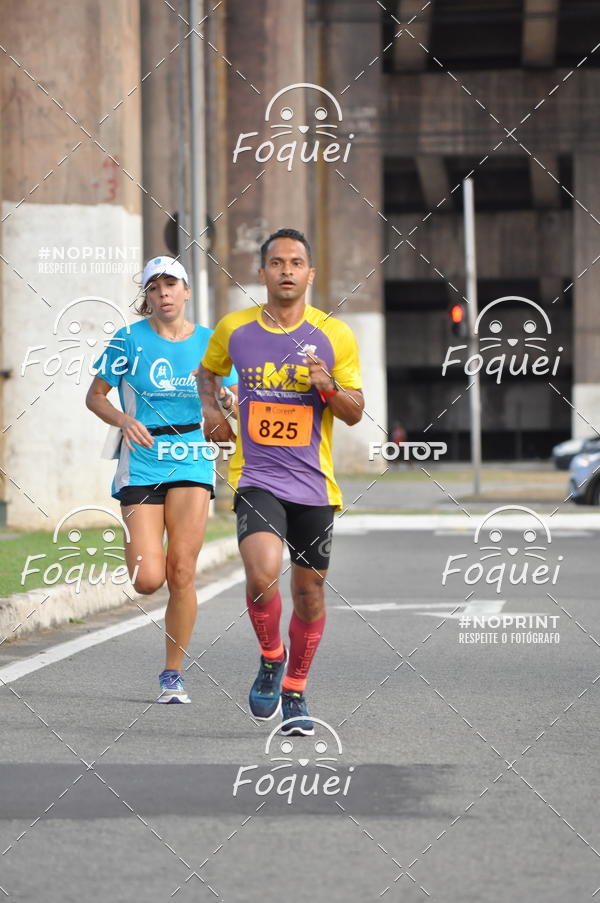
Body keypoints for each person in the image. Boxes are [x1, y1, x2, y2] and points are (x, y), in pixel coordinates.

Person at [198, 228, 364, 735]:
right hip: (257, 477)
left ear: (310, 274)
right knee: (262, 574)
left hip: (314, 485)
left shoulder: (335, 335)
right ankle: (271, 656)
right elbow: (208, 373)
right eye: (276, 262)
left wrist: (328, 386)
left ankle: (295, 688)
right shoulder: (235, 329)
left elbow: (354, 412)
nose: (286, 270)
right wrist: (213, 412)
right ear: (262, 272)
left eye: (295, 263)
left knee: (309, 592)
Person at [86, 256, 238, 704]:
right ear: (148, 297)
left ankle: (173, 673)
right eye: (154, 287)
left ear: (186, 291)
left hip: (191, 456)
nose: (163, 293)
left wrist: (226, 400)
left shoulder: (211, 343)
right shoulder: (127, 340)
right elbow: (96, 396)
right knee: (148, 579)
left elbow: (232, 397)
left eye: (171, 284)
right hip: (142, 460)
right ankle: (141, 541)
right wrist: (123, 420)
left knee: (182, 571)